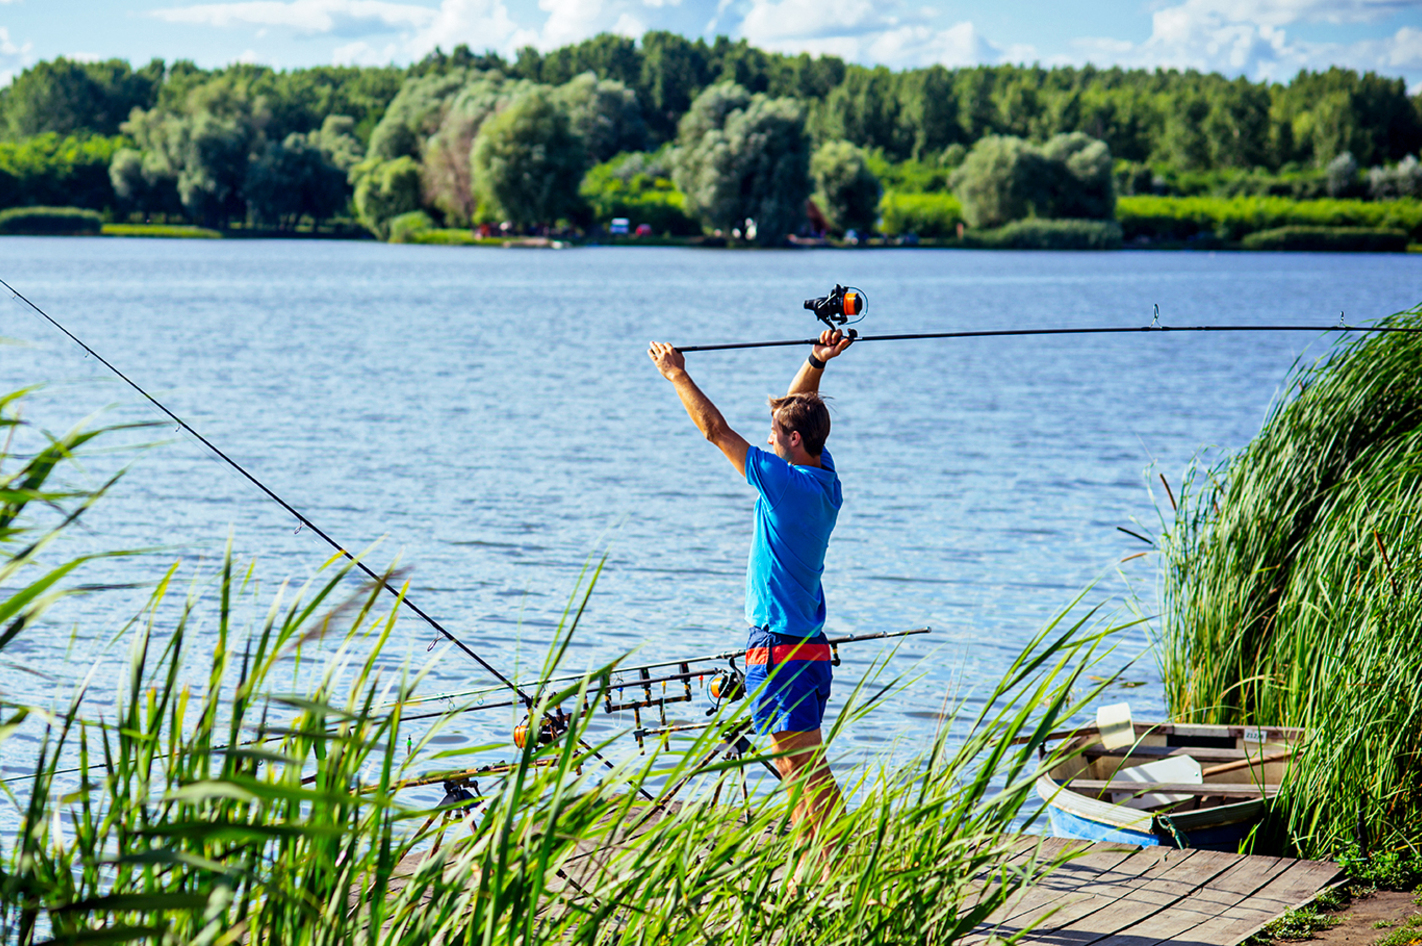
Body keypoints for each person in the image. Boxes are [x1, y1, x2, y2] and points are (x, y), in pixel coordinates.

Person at [647, 328, 853, 843]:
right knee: (794, 772)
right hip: (806, 649)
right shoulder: (825, 479)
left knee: (805, 770)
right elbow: (794, 410)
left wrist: (677, 375)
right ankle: (812, 865)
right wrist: (816, 360)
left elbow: (715, 430)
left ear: (794, 441)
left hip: (779, 649)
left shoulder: (782, 485)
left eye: (775, 433)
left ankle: (847, 859)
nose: (767, 438)